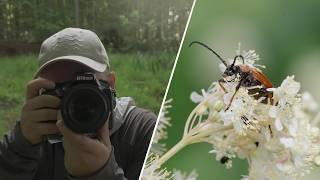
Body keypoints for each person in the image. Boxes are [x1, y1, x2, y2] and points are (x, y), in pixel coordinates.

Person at [0, 28, 156, 180]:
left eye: (83, 86)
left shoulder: (142, 131)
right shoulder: (39, 131)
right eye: (60, 89)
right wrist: (20, 146)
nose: (74, 99)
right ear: (42, 91)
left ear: (111, 84)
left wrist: (100, 174)